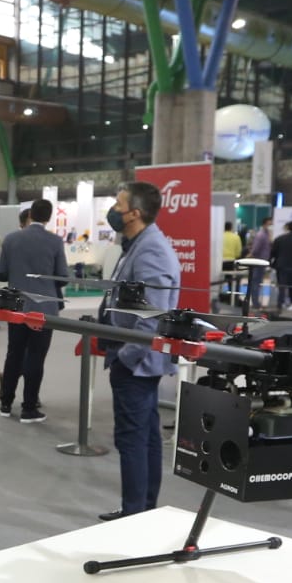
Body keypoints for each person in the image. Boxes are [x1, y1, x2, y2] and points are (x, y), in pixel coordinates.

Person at [98, 183, 181, 521]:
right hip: (135, 358)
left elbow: (154, 315)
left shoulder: (151, 251)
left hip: (137, 361)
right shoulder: (137, 245)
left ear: (134, 212)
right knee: (145, 435)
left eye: (118, 205)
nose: (113, 210)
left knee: (131, 438)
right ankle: (143, 510)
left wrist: (126, 358)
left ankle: (134, 515)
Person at [0, 198, 67, 422]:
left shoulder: (11, 239)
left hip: (16, 305)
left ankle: (6, 403)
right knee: (36, 356)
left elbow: (1, 274)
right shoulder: (55, 242)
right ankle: (28, 408)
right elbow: (62, 276)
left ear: (30, 214)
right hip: (44, 308)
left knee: (13, 353)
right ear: (48, 217)